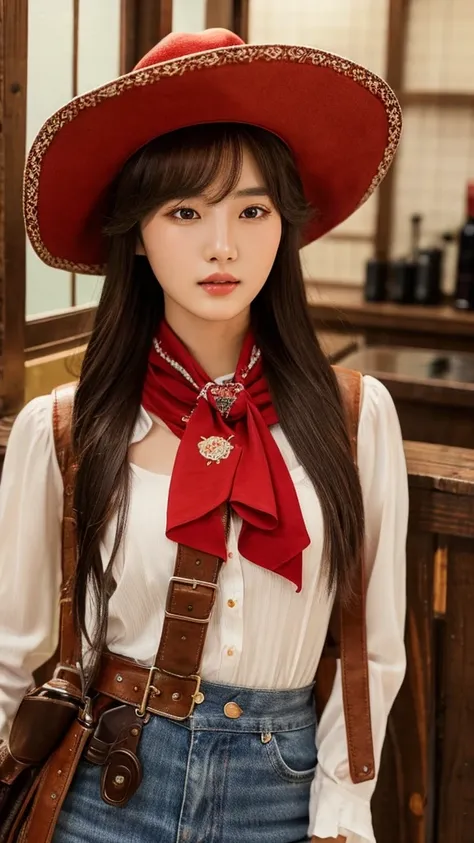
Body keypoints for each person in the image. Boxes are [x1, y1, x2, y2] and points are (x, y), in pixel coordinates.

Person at [0, 27, 407, 843]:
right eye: (185, 210)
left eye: (252, 210)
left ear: (283, 227)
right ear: (138, 235)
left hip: (282, 791)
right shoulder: (66, 427)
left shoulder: (358, 418)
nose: (223, 244)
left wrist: (341, 810)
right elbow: (8, 651)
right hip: (103, 786)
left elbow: (374, 650)